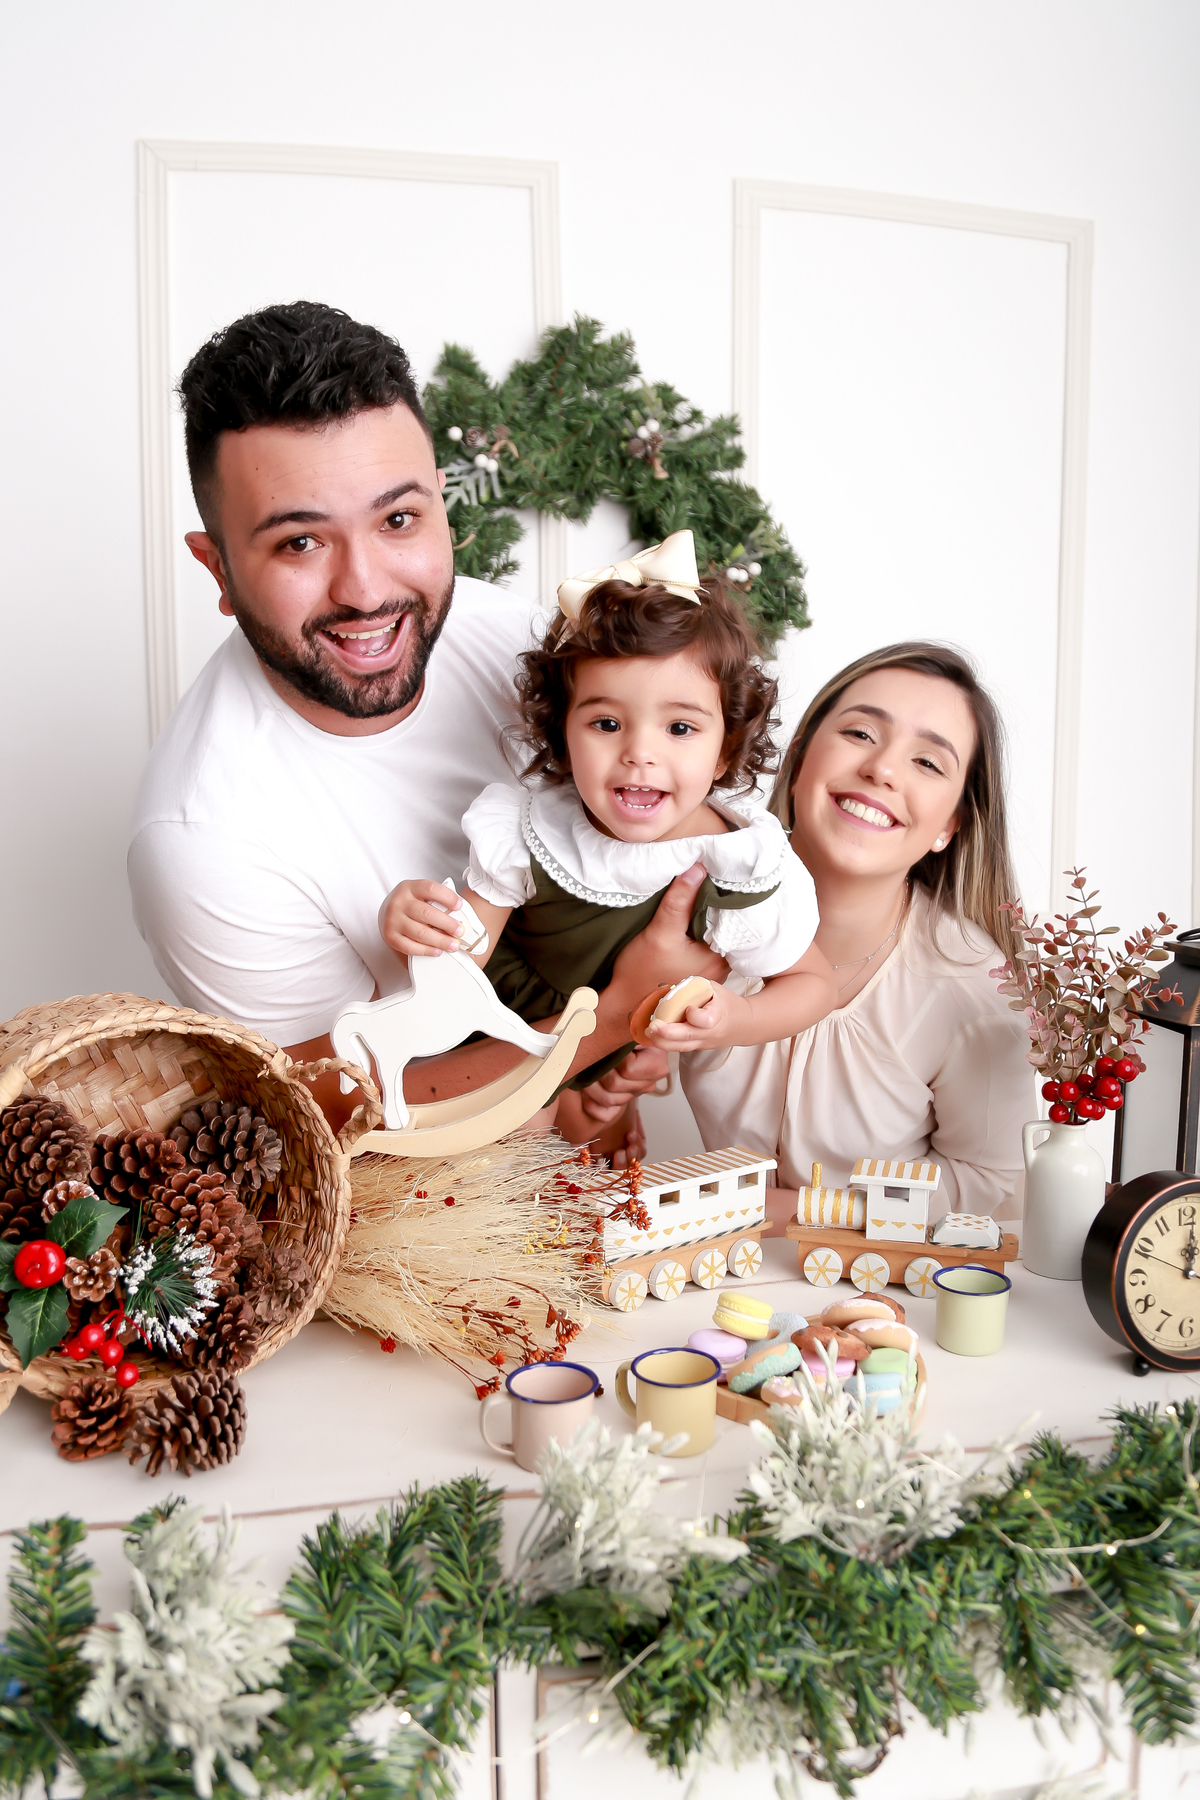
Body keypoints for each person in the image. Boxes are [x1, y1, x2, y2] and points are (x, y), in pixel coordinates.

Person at [128, 302, 722, 1129]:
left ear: (442, 504)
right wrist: (618, 1018)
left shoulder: (516, 641)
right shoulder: (206, 841)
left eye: (398, 520)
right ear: (217, 568)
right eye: (300, 542)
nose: (366, 590)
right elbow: (337, 1109)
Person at [583, 642, 1034, 1220]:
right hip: (715, 1265)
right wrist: (616, 1076)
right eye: (861, 734)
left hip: (884, 1274)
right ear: (798, 761)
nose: (882, 769)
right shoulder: (686, 904)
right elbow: (590, 1093)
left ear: (950, 823)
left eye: (927, 762)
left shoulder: (978, 992)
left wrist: (786, 1211)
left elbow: (992, 1184)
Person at [382, 532, 837, 1087]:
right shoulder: (534, 830)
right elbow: (459, 966)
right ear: (563, 735)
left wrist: (736, 1018)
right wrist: (417, 929)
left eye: (680, 728)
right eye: (606, 724)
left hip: (595, 1048)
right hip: (493, 1044)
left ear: (725, 750)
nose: (640, 753)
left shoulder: (739, 869)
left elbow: (814, 985)